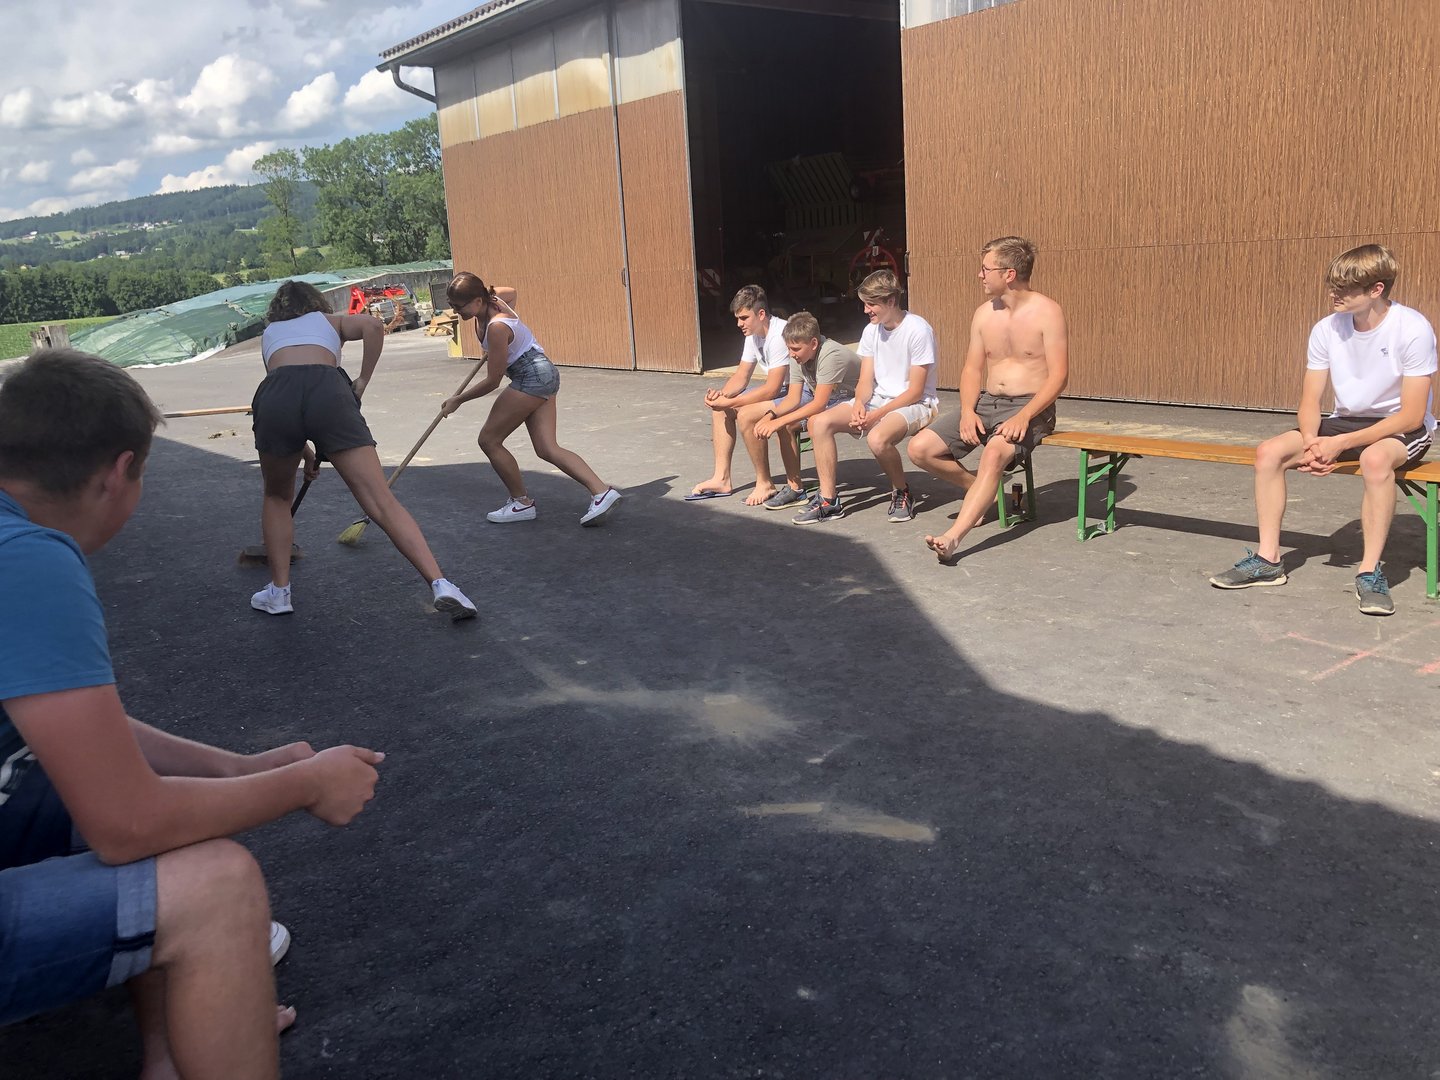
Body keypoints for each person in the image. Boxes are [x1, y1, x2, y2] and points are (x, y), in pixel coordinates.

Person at [0, 349, 385, 1079]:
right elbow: (129, 823)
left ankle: (186, 1045)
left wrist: (237, 770)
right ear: (119, 473)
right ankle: (212, 991)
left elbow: (70, 732)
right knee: (218, 887)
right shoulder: (27, 559)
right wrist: (305, 784)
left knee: (122, 803)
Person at [1209, 244, 1437, 615]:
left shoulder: (1412, 328)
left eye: (1344, 288)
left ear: (1376, 289)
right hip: (1345, 421)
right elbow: (1310, 401)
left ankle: (1369, 573)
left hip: (1400, 427)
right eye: (1332, 285)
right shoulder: (1326, 329)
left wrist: (1341, 443)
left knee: (1375, 460)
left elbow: (1412, 416)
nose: (1334, 293)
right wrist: (1313, 441)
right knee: (1269, 452)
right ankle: (1268, 561)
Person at [250, 280, 476, 620]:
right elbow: (372, 325)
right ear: (315, 303)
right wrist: (362, 380)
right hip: (328, 390)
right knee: (380, 500)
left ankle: (279, 593)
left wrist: (306, 454)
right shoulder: (329, 321)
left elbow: (290, 397)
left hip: (276, 395)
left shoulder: (270, 333)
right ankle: (441, 584)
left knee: (277, 497)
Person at [913, 236, 1069, 561]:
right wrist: (968, 410)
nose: (980, 275)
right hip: (987, 403)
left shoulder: (1048, 312)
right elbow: (972, 369)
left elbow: (1059, 377)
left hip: (1031, 406)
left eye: (986, 269)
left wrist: (1024, 415)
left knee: (994, 454)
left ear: (1009, 274)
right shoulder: (984, 314)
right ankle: (981, 490)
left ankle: (952, 539)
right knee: (920, 449)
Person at [438, 272, 622, 526]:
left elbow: (492, 381)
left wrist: (458, 399)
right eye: (452, 305)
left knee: (489, 440)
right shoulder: (493, 300)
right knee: (547, 448)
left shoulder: (497, 327)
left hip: (531, 376)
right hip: (543, 372)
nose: (457, 311)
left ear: (478, 301)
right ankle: (601, 492)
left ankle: (521, 503)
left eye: (460, 306)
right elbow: (512, 292)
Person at [791, 270, 939, 525]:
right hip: (878, 399)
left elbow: (915, 391)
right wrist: (859, 403)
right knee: (819, 422)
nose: (865, 310)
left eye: (871, 304)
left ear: (891, 301)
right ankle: (829, 501)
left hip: (917, 403)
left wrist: (876, 416)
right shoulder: (871, 331)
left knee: (877, 438)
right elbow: (865, 380)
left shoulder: (918, 329)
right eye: (864, 303)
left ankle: (901, 491)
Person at [686, 285, 791, 505]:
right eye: (737, 318)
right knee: (721, 410)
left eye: (744, 318)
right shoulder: (752, 336)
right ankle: (721, 478)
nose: (739, 324)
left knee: (746, 414)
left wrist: (732, 401)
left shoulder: (779, 334)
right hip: (780, 390)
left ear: (761, 314)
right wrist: (721, 396)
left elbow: (772, 388)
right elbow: (742, 376)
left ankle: (765, 483)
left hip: (796, 391)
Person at [752, 310, 862, 511]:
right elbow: (793, 398)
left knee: (814, 423)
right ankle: (795, 489)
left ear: (813, 343)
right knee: (786, 425)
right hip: (831, 399)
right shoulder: (798, 357)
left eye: (796, 349)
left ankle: (829, 498)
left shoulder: (831, 355)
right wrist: (771, 416)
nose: (791, 354)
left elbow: (819, 404)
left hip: (856, 400)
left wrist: (778, 421)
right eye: (789, 348)